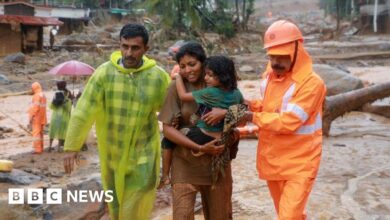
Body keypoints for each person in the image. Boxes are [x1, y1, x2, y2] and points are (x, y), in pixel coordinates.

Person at [62, 23, 170, 220]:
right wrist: (72, 146)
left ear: (146, 49)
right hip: (112, 154)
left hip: (143, 155)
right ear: (119, 45)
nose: (129, 53)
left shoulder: (157, 77)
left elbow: (172, 112)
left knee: (133, 206)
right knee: (116, 207)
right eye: (125, 46)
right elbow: (84, 110)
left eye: (135, 48)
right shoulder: (104, 74)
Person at [240, 20, 327, 219]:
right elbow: (270, 107)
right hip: (273, 159)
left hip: (300, 163)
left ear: (297, 51)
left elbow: (289, 121)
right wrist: (249, 104)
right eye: (272, 57)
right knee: (288, 214)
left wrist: (251, 116)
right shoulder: (270, 76)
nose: (276, 62)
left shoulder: (312, 84)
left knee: (288, 216)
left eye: (282, 57)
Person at [158, 42, 235, 220]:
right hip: (185, 163)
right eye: (183, 66)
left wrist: (225, 113)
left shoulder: (221, 86)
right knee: (182, 215)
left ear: (204, 63)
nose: (187, 70)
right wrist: (198, 147)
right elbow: (167, 129)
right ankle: (165, 176)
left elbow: (245, 113)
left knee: (221, 215)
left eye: (192, 64)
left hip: (217, 165)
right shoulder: (176, 88)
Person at [48, 81, 72, 152]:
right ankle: (59, 147)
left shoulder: (56, 93)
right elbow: (69, 105)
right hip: (64, 116)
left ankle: (50, 146)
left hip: (56, 115)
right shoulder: (68, 93)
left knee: (53, 130)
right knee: (62, 131)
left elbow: (52, 105)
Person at [28, 82, 47, 154]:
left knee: (36, 135)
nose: (31, 89)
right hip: (42, 117)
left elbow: (35, 108)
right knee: (40, 134)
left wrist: (31, 117)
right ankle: (41, 148)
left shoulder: (36, 96)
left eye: (32, 88)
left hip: (36, 118)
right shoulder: (43, 95)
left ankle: (38, 149)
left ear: (34, 88)